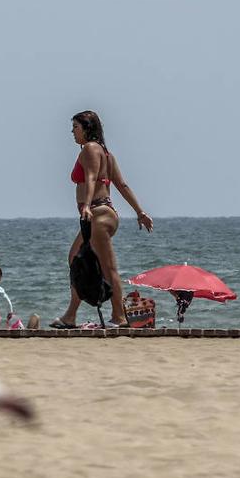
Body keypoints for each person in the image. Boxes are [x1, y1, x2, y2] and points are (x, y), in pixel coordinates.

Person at [51, 110, 154, 329]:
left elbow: (90, 178)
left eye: (75, 128)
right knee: (78, 260)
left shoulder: (90, 149)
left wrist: (86, 205)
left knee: (107, 268)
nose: (72, 132)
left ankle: (119, 316)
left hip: (98, 213)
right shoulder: (106, 153)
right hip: (105, 214)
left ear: (87, 128)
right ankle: (72, 315)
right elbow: (122, 185)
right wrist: (140, 212)